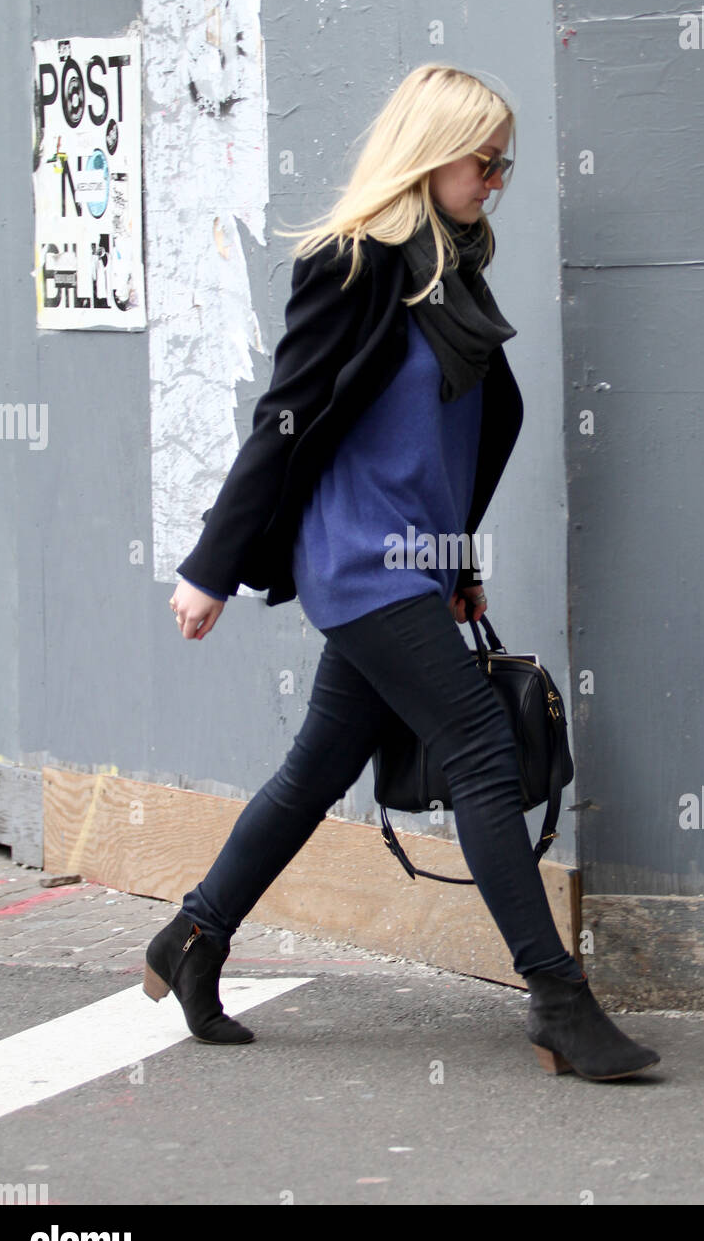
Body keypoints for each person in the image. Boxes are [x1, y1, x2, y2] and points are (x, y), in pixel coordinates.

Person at [142, 64, 660, 1082]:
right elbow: (284, 418)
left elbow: (440, 442)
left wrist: (455, 559)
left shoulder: (449, 270)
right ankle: (557, 998)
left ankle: (193, 936)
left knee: (315, 770)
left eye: (505, 163)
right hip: (354, 559)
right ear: (432, 154)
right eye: (486, 161)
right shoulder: (353, 263)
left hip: (412, 567)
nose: (498, 180)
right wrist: (210, 566)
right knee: (476, 741)